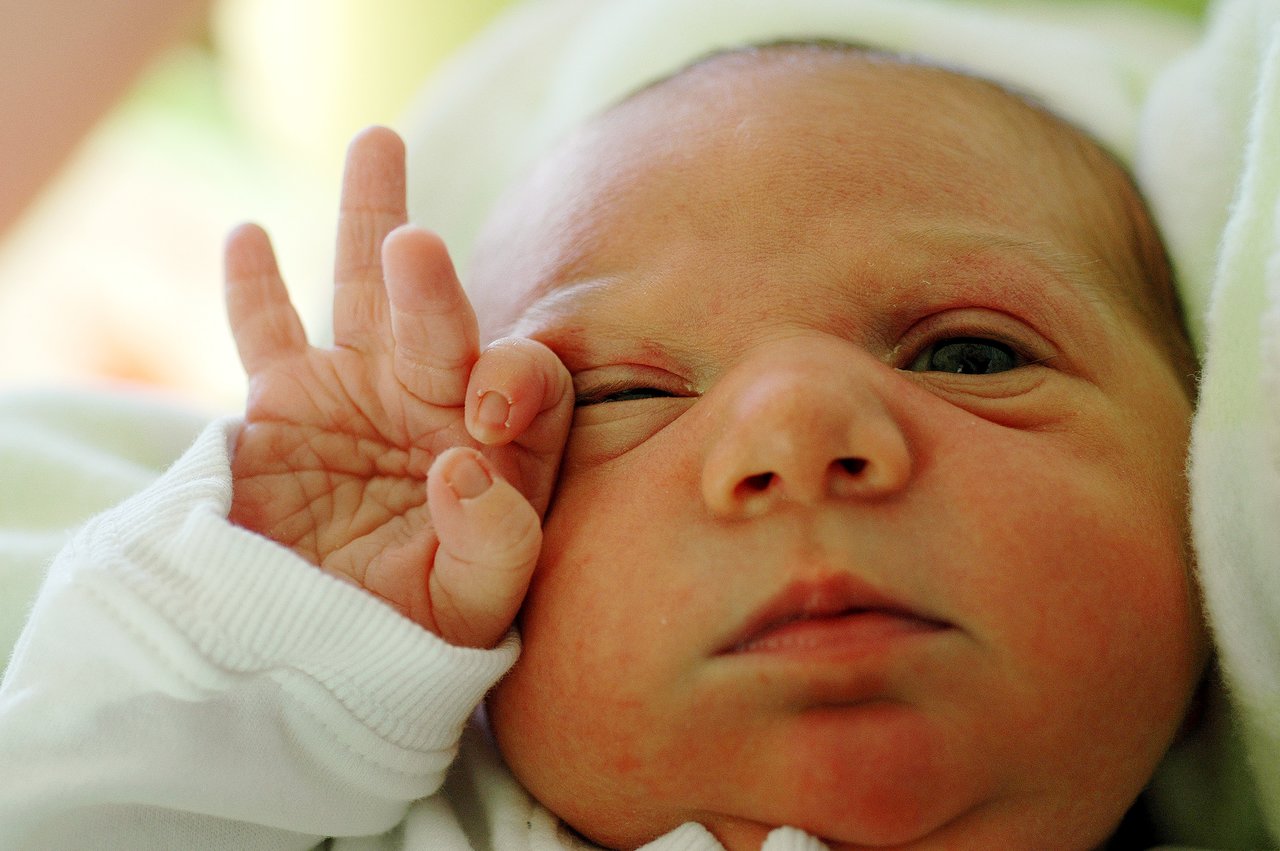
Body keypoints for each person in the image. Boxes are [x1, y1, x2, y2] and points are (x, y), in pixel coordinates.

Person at [0, 41, 1235, 850]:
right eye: (619, 395)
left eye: (965, 356)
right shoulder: (352, 808)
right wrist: (285, 638)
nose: (793, 430)